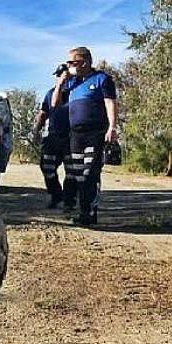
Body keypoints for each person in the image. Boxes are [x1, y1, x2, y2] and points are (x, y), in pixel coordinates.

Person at [53, 46, 118, 225]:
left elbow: (110, 103)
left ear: (84, 62)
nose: (69, 66)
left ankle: (90, 211)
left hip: (95, 133)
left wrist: (112, 127)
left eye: (72, 63)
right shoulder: (72, 84)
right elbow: (55, 104)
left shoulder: (102, 79)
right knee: (79, 175)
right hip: (75, 135)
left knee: (90, 173)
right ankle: (84, 212)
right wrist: (60, 83)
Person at [33, 87, 77, 211]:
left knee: (72, 172)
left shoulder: (76, 91)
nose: (61, 78)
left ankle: (70, 200)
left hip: (71, 137)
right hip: (53, 136)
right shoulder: (50, 93)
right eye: (58, 76)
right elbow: (43, 113)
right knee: (47, 167)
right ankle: (56, 195)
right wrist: (37, 130)